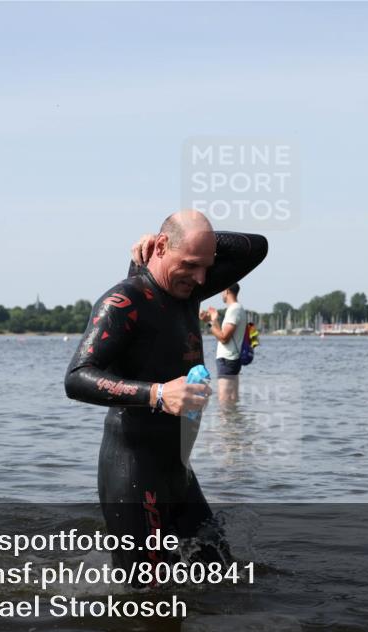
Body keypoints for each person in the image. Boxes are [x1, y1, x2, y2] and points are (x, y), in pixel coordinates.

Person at [64, 210, 267, 574]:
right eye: (190, 264)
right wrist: (157, 394)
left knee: (221, 576)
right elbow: (77, 378)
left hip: (178, 471)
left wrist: (186, 239)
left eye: (205, 266)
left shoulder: (188, 290)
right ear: (160, 248)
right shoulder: (123, 302)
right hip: (133, 473)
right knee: (144, 599)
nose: (201, 277)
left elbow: (257, 248)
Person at [203, 284, 247, 405]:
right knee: (232, 401)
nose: (221, 294)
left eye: (222, 291)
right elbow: (222, 335)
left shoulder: (234, 309)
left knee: (224, 403)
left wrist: (208, 323)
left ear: (227, 290)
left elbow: (223, 338)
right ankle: (234, 424)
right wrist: (214, 319)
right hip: (231, 359)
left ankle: (225, 424)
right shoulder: (237, 309)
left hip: (227, 360)